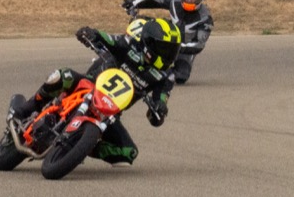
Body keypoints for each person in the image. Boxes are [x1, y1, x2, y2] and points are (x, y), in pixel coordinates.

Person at [10, 17, 181, 165]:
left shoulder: (166, 77)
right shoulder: (130, 45)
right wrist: (91, 33)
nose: (169, 55)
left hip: (110, 112)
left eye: (173, 50)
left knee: (128, 152)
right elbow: (109, 39)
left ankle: (81, 147)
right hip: (88, 84)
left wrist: (159, 110)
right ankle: (26, 108)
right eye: (165, 48)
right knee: (62, 76)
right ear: (149, 42)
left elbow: (160, 102)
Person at [123, 0, 214, 84]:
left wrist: (179, 47)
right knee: (141, 21)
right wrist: (134, 2)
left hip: (184, 49)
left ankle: (158, 73)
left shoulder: (205, 18)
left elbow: (199, 45)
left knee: (181, 76)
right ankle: (128, 49)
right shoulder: (174, 0)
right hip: (167, 38)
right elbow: (155, 0)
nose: (189, 0)